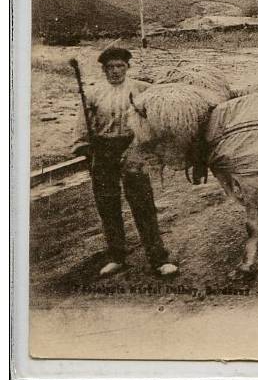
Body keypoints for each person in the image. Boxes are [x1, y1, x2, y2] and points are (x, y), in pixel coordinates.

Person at [72, 47, 178, 278]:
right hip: (103, 151)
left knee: (142, 204)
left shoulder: (141, 89)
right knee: (107, 206)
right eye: (110, 67)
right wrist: (85, 147)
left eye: (120, 66)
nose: (115, 71)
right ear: (103, 70)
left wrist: (150, 144)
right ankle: (117, 257)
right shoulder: (93, 94)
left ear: (128, 67)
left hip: (132, 149)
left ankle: (159, 259)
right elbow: (82, 124)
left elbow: (158, 110)